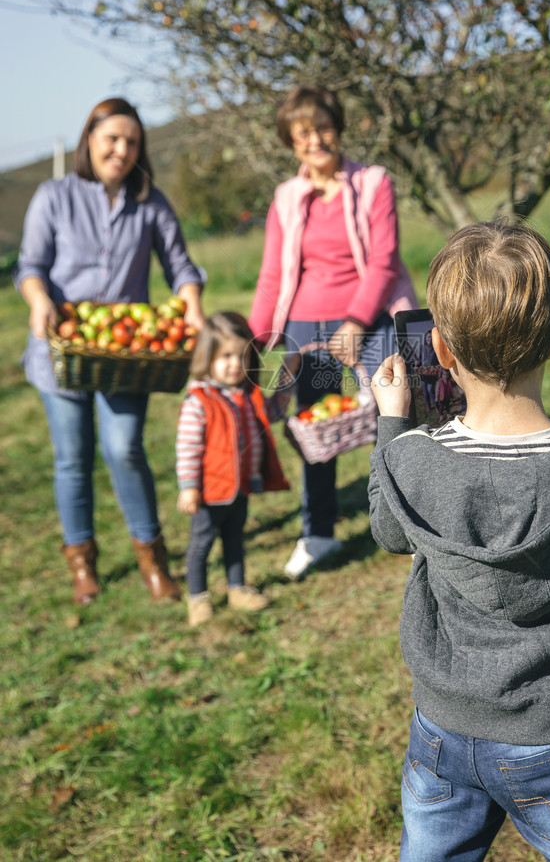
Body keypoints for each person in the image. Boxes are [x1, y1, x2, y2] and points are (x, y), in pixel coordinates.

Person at [368, 221, 550, 861]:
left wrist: (393, 423)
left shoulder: (416, 461)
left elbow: (387, 528)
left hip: (440, 730)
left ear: (439, 348)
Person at [15, 97, 206, 606]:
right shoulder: (54, 196)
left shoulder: (151, 203)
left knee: (124, 448)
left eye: (132, 142)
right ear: (90, 141)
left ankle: (152, 557)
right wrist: (38, 301)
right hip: (63, 348)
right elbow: (30, 265)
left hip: (127, 353)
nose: (121, 150)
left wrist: (191, 304)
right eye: (111, 139)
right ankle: (82, 561)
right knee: (72, 459)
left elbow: (181, 267)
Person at [248, 84, 417, 580]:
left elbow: (384, 260)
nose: (315, 139)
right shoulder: (286, 197)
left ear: (337, 129)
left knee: (394, 418)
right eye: (303, 133)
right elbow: (272, 276)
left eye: (323, 128)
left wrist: (356, 323)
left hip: (368, 318)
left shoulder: (372, 183)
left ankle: (412, 529)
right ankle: (318, 533)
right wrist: (258, 341)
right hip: (307, 327)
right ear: (290, 140)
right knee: (316, 429)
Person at [176, 312, 296, 625]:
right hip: (211, 491)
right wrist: (189, 486)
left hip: (240, 485)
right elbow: (188, 448)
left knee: (234, 538)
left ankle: (236, 587)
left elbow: (270, 414)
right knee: (201, 544)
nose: (234, 365)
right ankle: (198, 596)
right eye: (225, 356)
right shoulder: (199, 401)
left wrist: (285, 382)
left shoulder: (246, 394)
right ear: (208, 357)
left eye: (241, 357)